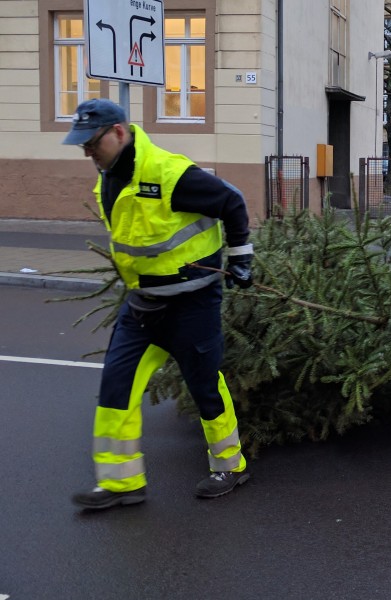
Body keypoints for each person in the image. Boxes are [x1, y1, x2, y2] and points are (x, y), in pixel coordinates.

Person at [63, 98, 253, 509]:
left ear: (118, 133)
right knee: (116, 384)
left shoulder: (170, 174)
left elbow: (231, 202)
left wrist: (241, 258)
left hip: (193, 304)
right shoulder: (108, 177)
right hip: (143, 305)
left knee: (204, 385)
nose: (87, 153)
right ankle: (121, 482)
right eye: (83, 146)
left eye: (92, 143)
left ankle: (231, 465)